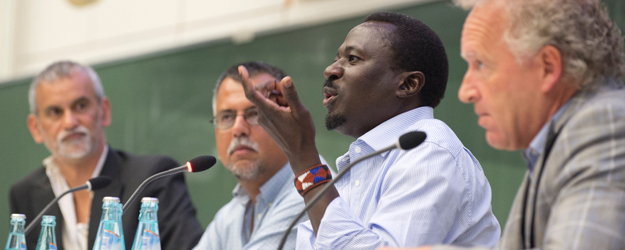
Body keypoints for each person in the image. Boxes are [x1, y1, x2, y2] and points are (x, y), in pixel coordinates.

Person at [237, 12, 500, 249]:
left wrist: (304, 159)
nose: (331, 70)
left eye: (352, 59)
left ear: (408, 84)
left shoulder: (429, 150)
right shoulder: (358, 165)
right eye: (336, 58)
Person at [380, 0, 625, 250]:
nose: (465, 92)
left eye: (481, 64)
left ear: (547, 67)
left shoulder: (605, 124)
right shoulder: (550, 146)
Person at [10, 61, 204, 250]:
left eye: (80, 106)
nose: (69, 122)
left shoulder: (154, 177)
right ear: (35, 128)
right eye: (55, 112)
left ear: (104, 111)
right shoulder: (25, 193)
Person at [194, 61, 328, 250]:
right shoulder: (231, 213)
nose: (238, 129)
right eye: (227, 117)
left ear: (285, 119)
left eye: (255, 113)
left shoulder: (314, 189)